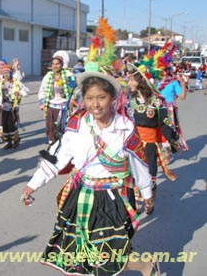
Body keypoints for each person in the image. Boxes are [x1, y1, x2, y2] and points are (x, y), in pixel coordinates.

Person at [22, 71, 160, 276]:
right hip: (82, 194)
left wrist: (147, 194)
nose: (95, 104)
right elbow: (57, 159)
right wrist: (32, 184)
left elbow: (138, 164)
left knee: (107, 249)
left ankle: (145, 266)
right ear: (83, 99)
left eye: (101, 98)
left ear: (112, 98)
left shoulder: (124, 127)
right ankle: (145, 266)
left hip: (114, 197)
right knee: (83, 250)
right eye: (89, 98)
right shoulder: (76, 126)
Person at [127, 65, 179, 214]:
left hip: (149, 143)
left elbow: (165, 123)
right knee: (131, 173)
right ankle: (134, 204)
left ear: (141, 81)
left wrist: (173, 141)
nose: (129, 83)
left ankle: (149, 199)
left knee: (150, 172)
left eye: (132, 80)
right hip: (132, 143)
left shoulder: (157, 101)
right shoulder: (128, 100)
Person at [38, 56, 75, 144]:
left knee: (63, 127)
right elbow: (42, 90)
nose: (55, 66)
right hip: (51, 105)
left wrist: (72, 100)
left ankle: (63, 144)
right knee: (50, 126)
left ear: (61, 65)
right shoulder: (48, 76)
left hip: (64, 106)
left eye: (57, 64)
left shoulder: (69, 75)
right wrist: (42, 103)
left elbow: (74, 88)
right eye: (53, 64)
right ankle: (52, 143)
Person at [156, 70, 188, 163]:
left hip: (169, 111)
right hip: (157, 109)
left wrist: (182, 84)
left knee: (168, 133)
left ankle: (166, 153)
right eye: (162, 72)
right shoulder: (157, 82)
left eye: (165, 72)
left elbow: (182, 97)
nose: (164, 74)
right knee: (157, 133)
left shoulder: (173, 83)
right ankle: (158, 154)